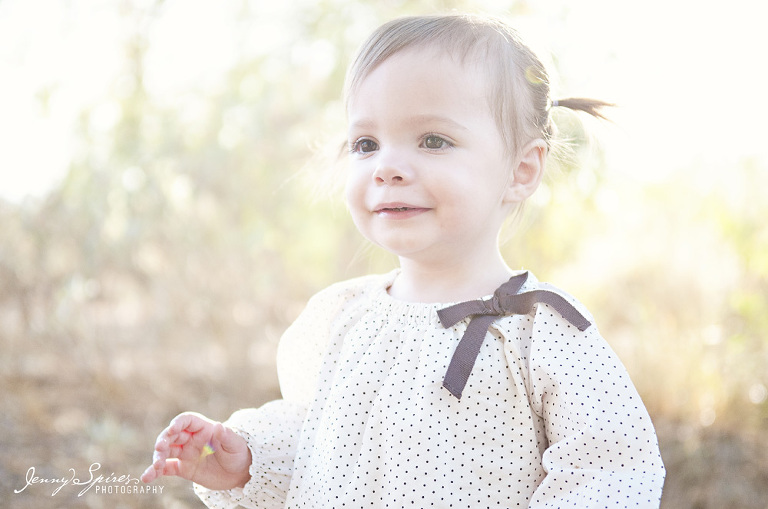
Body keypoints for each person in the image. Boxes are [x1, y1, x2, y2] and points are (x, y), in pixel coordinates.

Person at [141, 13, 666, 508]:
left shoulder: (545, 330)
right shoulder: (343, 315)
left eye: (433, 140)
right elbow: (314, 434)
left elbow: (610, 469)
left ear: (521, 170)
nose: (387, 166)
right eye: (366, 143)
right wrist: (247, 459)